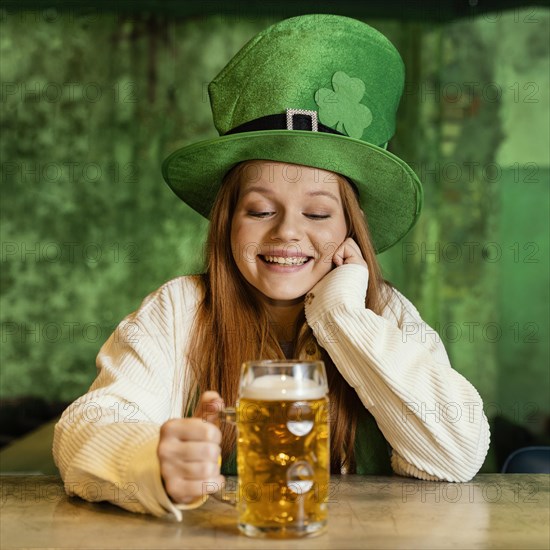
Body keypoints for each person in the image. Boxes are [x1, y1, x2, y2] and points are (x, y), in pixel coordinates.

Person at [53, 14, 490, 519]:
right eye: (260, 210)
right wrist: (150, 460)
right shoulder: (180, 309)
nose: (286, 232)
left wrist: (341, 318)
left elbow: (455, 454)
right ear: (227, 222)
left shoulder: (384, 312)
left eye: (319, 213)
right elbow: (86, 428)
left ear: (352, 226)